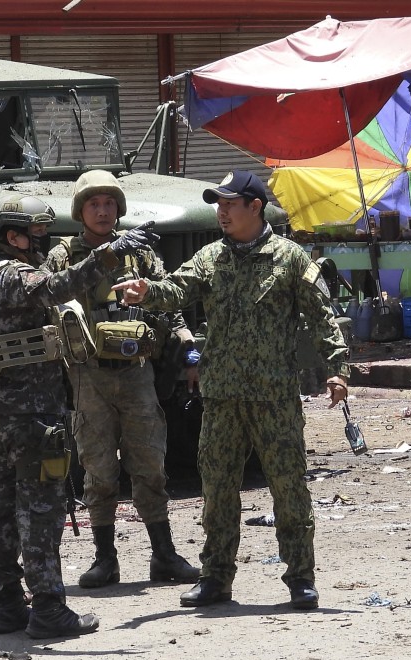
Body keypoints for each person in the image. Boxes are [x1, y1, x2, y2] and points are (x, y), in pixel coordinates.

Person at [112, 170, 350, 611]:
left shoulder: (290, 259)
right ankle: (215, 579)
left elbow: (322, 316)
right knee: (218, 490)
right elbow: (177, 289)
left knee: (289, 490)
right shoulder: (211, 258)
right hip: (221, 399)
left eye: (229, 204)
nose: (220, 212)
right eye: (217, 204)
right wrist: (146, 291)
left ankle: (300, 580)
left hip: (274, 398)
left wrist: (336, 370)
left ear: (254, 208)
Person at [0, 192, 159, 638]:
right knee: (40, 510)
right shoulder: (15, 276)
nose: (41, 241)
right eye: (34, 233)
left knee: (1, 505)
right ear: (12, 236)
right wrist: (112, 253)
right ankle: (49, 609)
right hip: (33, 416)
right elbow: (60, 286)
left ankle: (6, 605)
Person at [41, 170, 200, 589]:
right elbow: (45, 296)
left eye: (110, 203)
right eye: (93, 204)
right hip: (88, 377)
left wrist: (189, 348)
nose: (102, 210)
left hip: (135, 374)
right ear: (80, 211)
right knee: (97, 468)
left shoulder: (140, 254)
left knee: (150, 463)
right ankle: (104, 559)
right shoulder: (63, 257)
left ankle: (163, 554)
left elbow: (168, 302)